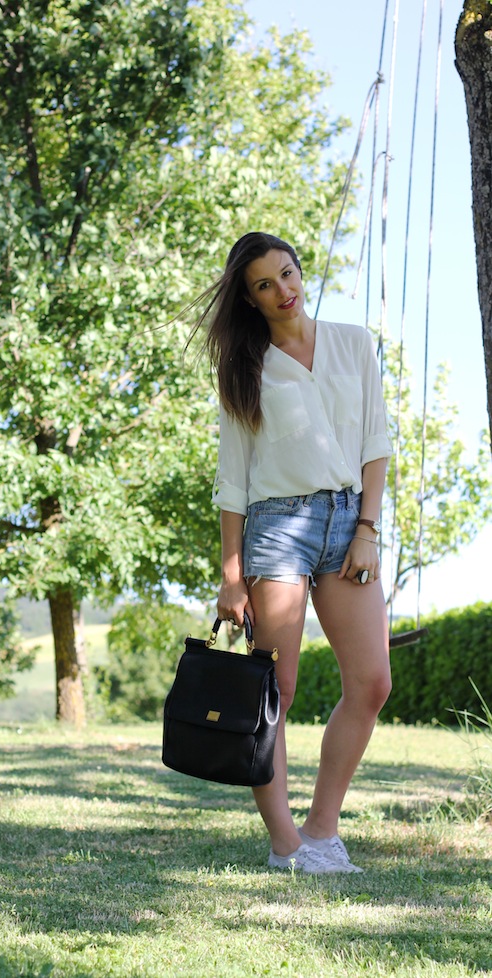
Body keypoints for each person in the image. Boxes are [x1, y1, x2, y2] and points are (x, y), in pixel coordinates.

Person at [198, 231, 393, 874]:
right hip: (277, 526)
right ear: (249, 299)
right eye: (265, 284)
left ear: (300, 271)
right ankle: (285, 845)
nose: (283, 290)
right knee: (274, 691)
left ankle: (322, 831)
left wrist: (368, 529)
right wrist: (231, 575)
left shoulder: (353, 342)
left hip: (348, 523)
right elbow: (233, 479)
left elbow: (375, 442)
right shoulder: (245, 369)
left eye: (288, 273)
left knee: (371, 683)